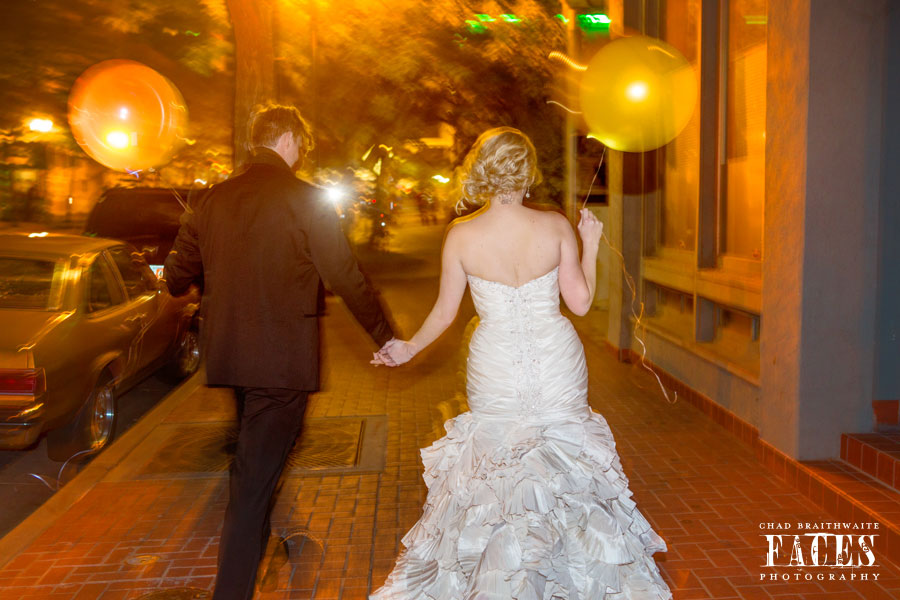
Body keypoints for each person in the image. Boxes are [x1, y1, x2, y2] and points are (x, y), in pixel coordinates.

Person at [369, 127, 672, 599]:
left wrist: (408, 347)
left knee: (495, 468)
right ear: (527, 173)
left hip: (496, 363)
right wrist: (589, 244)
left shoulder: (461, 236)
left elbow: (446, 313)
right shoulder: (553, 227)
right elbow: (580, 302)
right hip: (556, 358)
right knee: (566, 465)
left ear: (481, 171)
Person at [163, 103, 395, 600]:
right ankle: (233, 588)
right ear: (288, 139)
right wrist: (387, 336)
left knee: (252, 464)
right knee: (251, 484)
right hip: (282, 365)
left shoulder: (209, 200)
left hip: (232, 359)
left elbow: (176, 277)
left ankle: (258, 543)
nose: (302, 153)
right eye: (302, 144)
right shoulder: (306, 199)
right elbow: (346, 277)